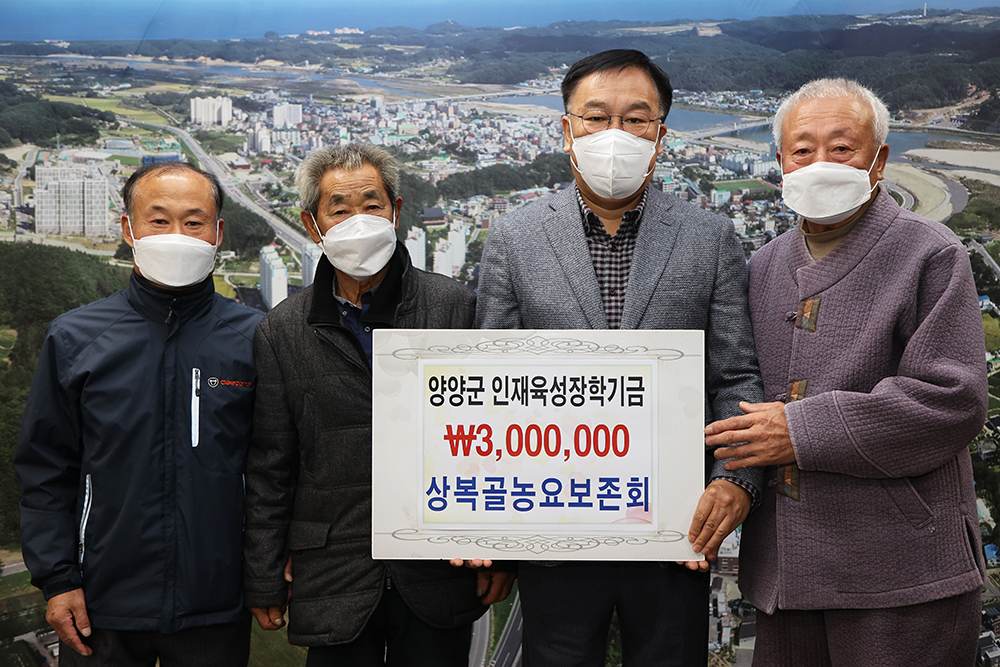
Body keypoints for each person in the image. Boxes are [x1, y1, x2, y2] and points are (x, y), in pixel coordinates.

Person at [474, 49, 763, 666]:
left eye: (636, 119)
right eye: (596, 116)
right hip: (553, 519)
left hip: (673, 524)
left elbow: (734, 376)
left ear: (661, 133)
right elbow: (490, 379)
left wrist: (736, 480)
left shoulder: (709, 236)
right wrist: (487, 527)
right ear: (566, 128)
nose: (615, 135)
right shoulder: (515, 235)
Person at [704, 78, 987, 666]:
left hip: (903, 564)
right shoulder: (763, 264)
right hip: (786, 569)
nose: (820, 163)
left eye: (843, 147)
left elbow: (953, 399)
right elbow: (735, 381)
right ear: (780, 161)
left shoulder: (930, 253)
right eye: (802, 150)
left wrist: (804, 430)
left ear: (879, 159)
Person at [242, 143, 515, 666]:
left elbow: (496, 439)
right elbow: (270, 465)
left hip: (438, 566)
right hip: (334, 569)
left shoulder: (456, 308)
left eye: (371, 204)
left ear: (396, 208)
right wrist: (263, 574)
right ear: (312, 222)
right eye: (339, 209)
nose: (358, 220)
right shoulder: (281, 331)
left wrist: (500, 551)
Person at [15, 162, 262, 666]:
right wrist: (57, 579)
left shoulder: (257, 338)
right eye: (158, 220)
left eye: (194, 222)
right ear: (128, 229)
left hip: (216, 604)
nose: (177, 236)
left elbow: (276, 469)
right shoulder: (76, 338)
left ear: (218, 233)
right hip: (100, 605)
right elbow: (46, 468)